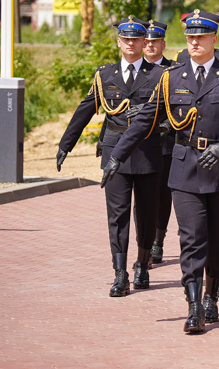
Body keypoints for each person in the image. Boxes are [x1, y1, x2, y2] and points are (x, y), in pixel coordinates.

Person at [103, 10, 219, 333]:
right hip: (185, 168)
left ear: (213, 40)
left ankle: (212, 294)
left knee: (217, 239)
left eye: (201, 37)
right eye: (190, 36)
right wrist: (116, 157)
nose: (194, 42)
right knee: (191, 238)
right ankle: (193, 305)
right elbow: (145, 120)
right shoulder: (171, 77)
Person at [57, 16, 167, 297]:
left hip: (146, 151)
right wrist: (65, 144)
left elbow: (169, 114)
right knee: (117, 215)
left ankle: (142, 264)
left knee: (146, 213)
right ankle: (120, 273)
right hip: (113, 150)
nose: (131, 44)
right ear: (119, 42)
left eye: (136, 39)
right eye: (125, 39)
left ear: (145, 43)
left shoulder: (159, 76)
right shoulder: (105, 75)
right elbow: (86, 108)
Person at [141, 20, 175, 265]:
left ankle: (158, 241)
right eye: (148, 42)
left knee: (162, 196)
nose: (151, 46)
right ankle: (144, 242)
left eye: (156, 42)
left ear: (163, 44)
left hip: (165, 144)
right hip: (140, 145)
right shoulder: (135, 70)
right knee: (142, 198)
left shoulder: (174, 71)